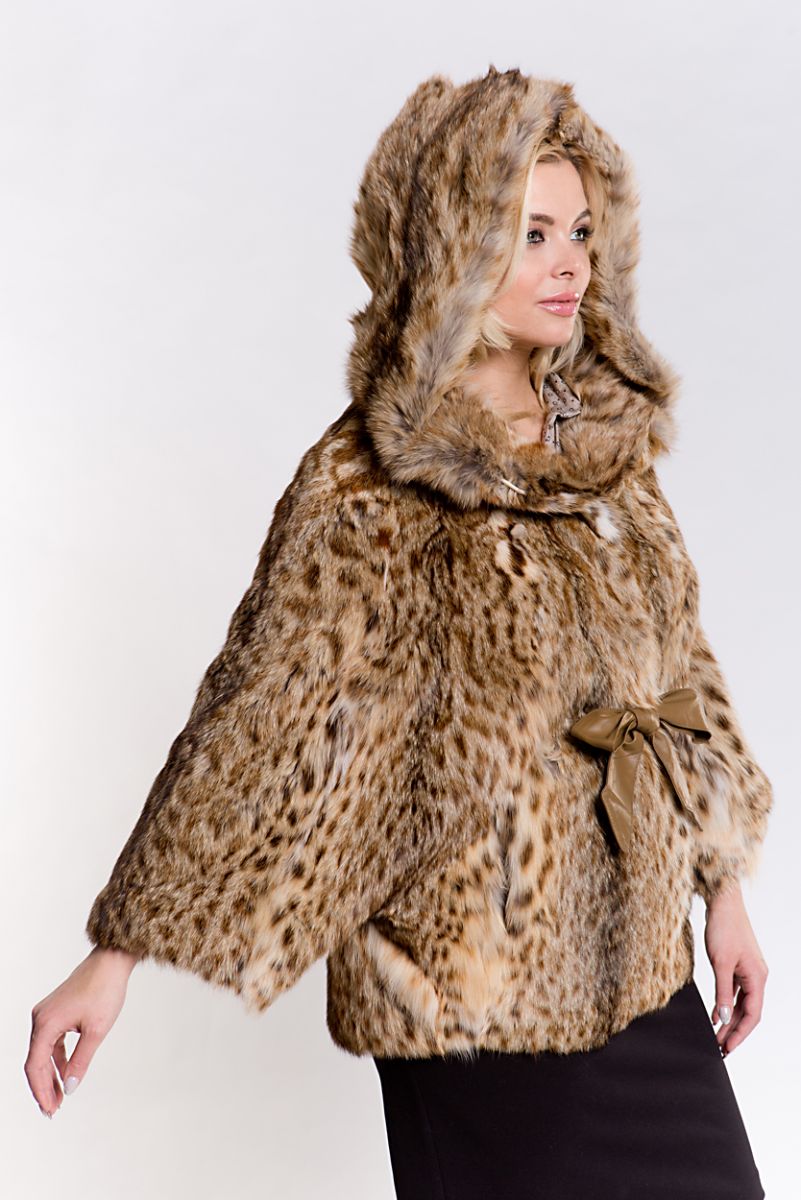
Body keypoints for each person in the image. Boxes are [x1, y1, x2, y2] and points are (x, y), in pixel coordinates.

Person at [26, 65, 771, 1198]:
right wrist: (116, 954)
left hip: (645, 982)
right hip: (470, 1005)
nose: (569, 263)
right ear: (459, 247)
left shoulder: (603, 454)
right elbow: (268, 720)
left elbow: (678, 677)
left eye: (579, 231)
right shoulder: (370, 488)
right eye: (531, 233)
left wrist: (722, 892)